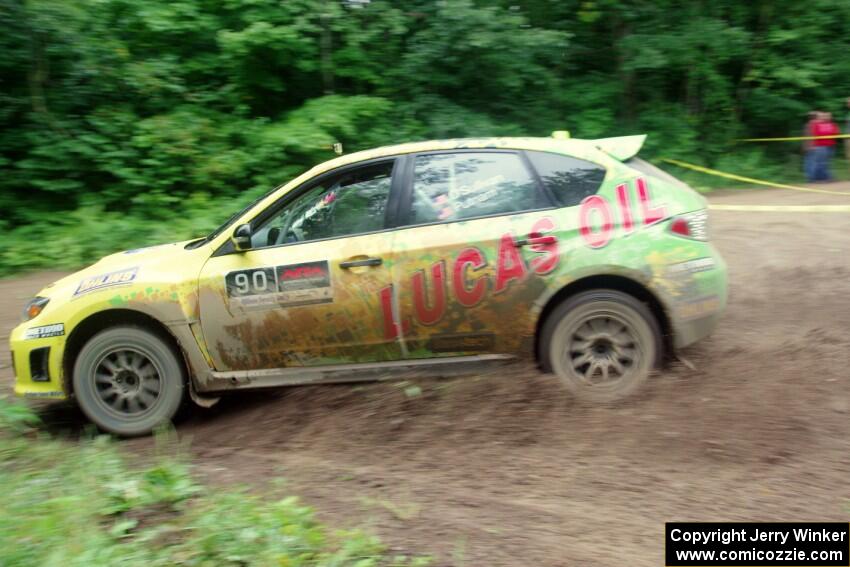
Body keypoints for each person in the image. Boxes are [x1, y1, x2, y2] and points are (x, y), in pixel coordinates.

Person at [811, 111, 840, 182]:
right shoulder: (817, 124)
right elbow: (817, 133)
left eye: (829, 116)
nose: (828, 117)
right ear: (823, 117)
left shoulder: (833, 124)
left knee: (827, 162)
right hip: (821, 146)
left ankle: (826, 177)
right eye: (826, 116)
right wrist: (829, 133)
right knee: (821, 162)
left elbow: (836, 133)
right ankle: (820, 178)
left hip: (831, 145)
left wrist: (828, 133)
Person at [803, 111, 818, 182]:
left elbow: (805, 137)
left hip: (808, 146)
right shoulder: (816, 124)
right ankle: (812, 178)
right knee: (813, 162)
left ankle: (809, 177)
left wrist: (804, 146)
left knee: (808, 162)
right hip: (814, 146)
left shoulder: (807, 125)